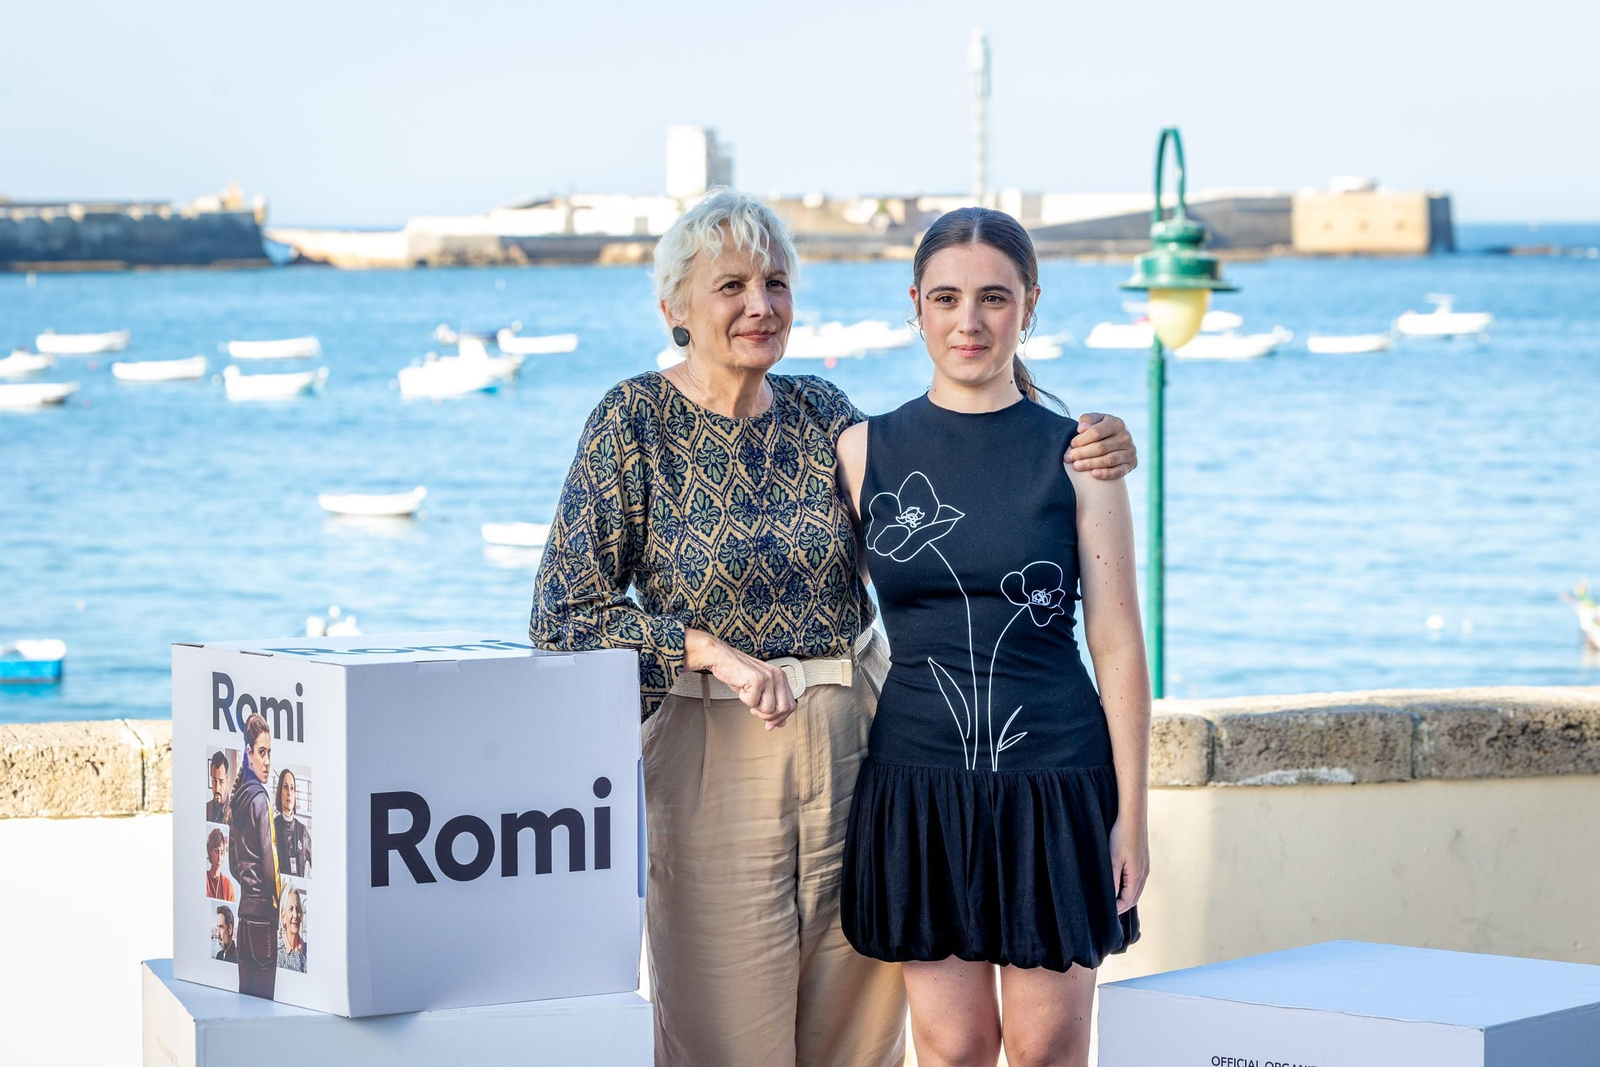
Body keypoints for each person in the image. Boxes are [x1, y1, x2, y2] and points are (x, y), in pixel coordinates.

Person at [530, 190, 1139, 1067]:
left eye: (776, 283)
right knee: (726, 1041)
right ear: (674, 308)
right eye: (730, 285)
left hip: (862, 755)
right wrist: (705, 650)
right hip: (717, 752)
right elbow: (563, 614)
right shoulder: (633, 424)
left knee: (860, 1045)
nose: (759, 305)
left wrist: (1099, 444)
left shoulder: (825, 416)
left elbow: (957, 481)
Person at [837, 207, 1149, 1067]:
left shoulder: (1081, 452)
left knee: (1048, 1048)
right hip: (919, 782)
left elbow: (1118, 641)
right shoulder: (863, 451)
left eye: (993, 298)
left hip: (1055, 779)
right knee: (950, 1047)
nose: (968, 321)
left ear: (1030, 304)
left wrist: (1134, 815)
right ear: (915, 305)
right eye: (945, 297)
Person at [228, 711, 280, 1000]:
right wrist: (274, 898)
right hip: (262, 918)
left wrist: (248, 886)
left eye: (270, 753)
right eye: (262, 752)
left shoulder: (238, 799)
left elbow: (233, 866)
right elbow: (270, 861)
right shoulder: (260, 799)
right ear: (248, 753)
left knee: (245, 1004)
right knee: (264, 1007)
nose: (267, 761)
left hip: (244, 918)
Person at [274, 769, 311, 878]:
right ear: (280, 791)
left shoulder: (303, 831)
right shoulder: (272, 827)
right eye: (285, 787)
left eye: (292, 788)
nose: (289, 793)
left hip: (299, 893)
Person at [277, 888, 307, 973]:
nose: (295, 915)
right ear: (283, 916)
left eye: (298, 909)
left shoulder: (308, 951)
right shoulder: (277, 953)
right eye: (291, 909)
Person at [205, 827, 234, 901]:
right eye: (216, 852)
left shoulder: (227, 884)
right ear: (210, 851)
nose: (219, 858)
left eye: (222, 853)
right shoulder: (203, 878)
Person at [206, 750, 229, 823]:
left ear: (227, 782)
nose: (217, 789)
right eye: (214, 781)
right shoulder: (206, 808)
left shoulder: (235, 811)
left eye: (221, 781)